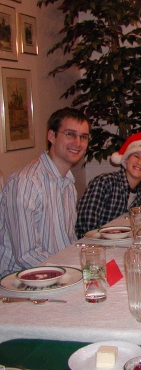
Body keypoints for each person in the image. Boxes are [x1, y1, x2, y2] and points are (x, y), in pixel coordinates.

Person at [0, 107, 90, 277]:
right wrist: (73, 272)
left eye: (83, 137)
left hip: (56, 273)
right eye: (70, 134)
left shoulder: (68, 183)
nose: (77, 143)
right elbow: (27, 256)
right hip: (19, 282)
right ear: (51, 136)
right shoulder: (26, 183)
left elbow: (67, 241)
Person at [75, 132, 141, 239]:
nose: (140, 162)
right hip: (95, 244)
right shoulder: (104, 182)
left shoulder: (138, 194)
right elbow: (86, 226)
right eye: (136, 156)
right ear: (126, 159)